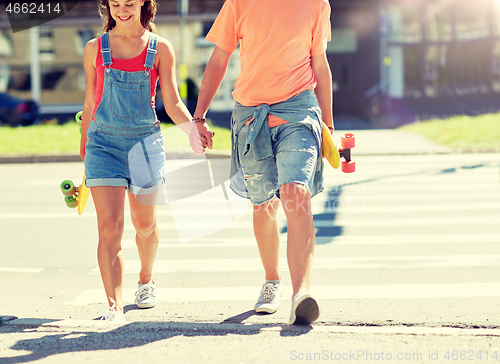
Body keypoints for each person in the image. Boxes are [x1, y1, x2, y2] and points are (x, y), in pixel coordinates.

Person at [193, 0, 333, 325]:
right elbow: (218, 60)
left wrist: (329, 125)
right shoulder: (239, 3)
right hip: (250, 118)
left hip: (298, 111)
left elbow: (320, 62)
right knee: (264, 206)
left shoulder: (315, 4)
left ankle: (302, 294)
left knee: (296, 193)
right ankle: (273, 281)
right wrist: (198, 117)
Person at [80, 0, 213, 321]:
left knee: (145, 224)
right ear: (107, 7)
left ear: (143, 4)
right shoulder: (94, 48)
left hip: (144, 144)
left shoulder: (160, 48)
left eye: (129, 3)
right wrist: (84, 143)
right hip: (104, 145)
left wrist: (194, 127)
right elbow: (89, 99)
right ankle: (114, 308)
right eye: (115, 4)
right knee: (110, 226)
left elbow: (172, 100)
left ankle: (145, 280)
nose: (123, 10)